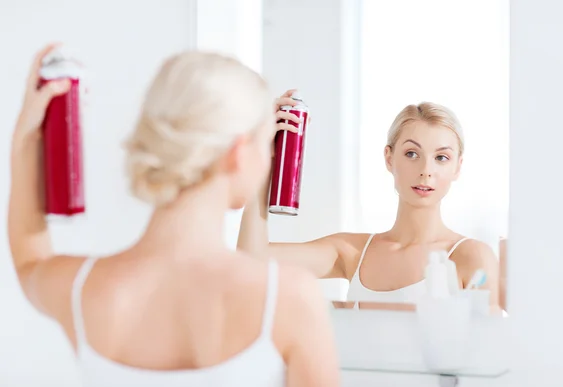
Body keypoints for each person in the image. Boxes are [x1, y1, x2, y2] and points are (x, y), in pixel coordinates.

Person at [8, 45, 339, 387]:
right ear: (237, 153)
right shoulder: (289, 298)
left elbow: (28, 261)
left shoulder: (81, 288)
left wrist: (24, 143)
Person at [238, 90, 501, 313]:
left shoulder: (472, 257)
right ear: (389, 158)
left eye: (441, 158)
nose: (426, 170)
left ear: (457, 167)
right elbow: (250, 261)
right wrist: (264, 160)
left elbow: (492, 355)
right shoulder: (351, 252)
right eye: (412, 153)